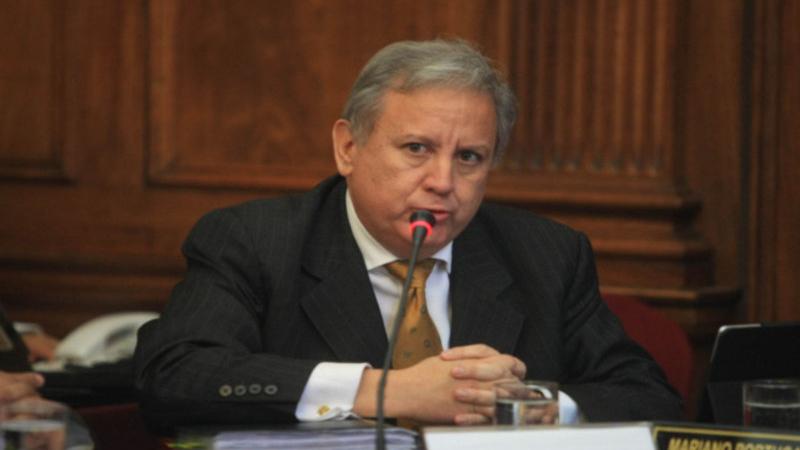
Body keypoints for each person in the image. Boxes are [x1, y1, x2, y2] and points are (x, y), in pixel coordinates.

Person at [133, 38, 682, 429]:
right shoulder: (254, 241)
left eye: (469, 157)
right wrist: (385, 391)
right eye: (417, 148)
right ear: (348, 148)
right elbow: (174, 374)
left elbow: (648, 397)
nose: (443, 182)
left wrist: (527, 405)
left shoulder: (547, 254)